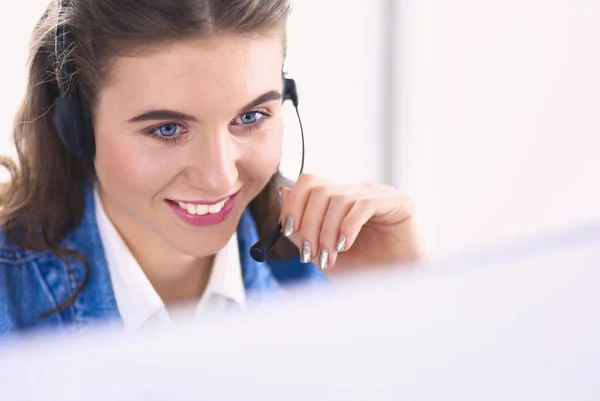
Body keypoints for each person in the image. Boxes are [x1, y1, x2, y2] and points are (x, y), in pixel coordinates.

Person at [0, 0, 425, 337]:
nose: (219, 177)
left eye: (251, 117)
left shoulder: (327, 279)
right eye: (167, 129)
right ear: (75, 125)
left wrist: (404, 306)